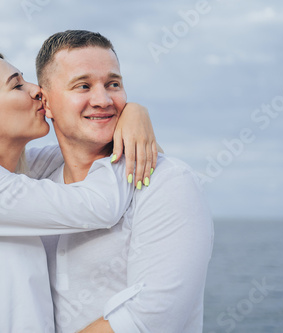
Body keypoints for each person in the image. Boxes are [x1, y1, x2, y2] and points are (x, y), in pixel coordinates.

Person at [0, 49, 160, 333]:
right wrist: (128, 128)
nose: (37, 91)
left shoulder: (12, 173)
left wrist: (132, 112)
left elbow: (83, 148)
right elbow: (100, 205)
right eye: (17, 85)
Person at [35, 30, 215, 332]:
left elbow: (150, 320)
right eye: (83, 85)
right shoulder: (37, 181)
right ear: (46, 102)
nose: (103, 100)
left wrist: (135, 110)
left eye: (113, 84)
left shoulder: (168, 182)